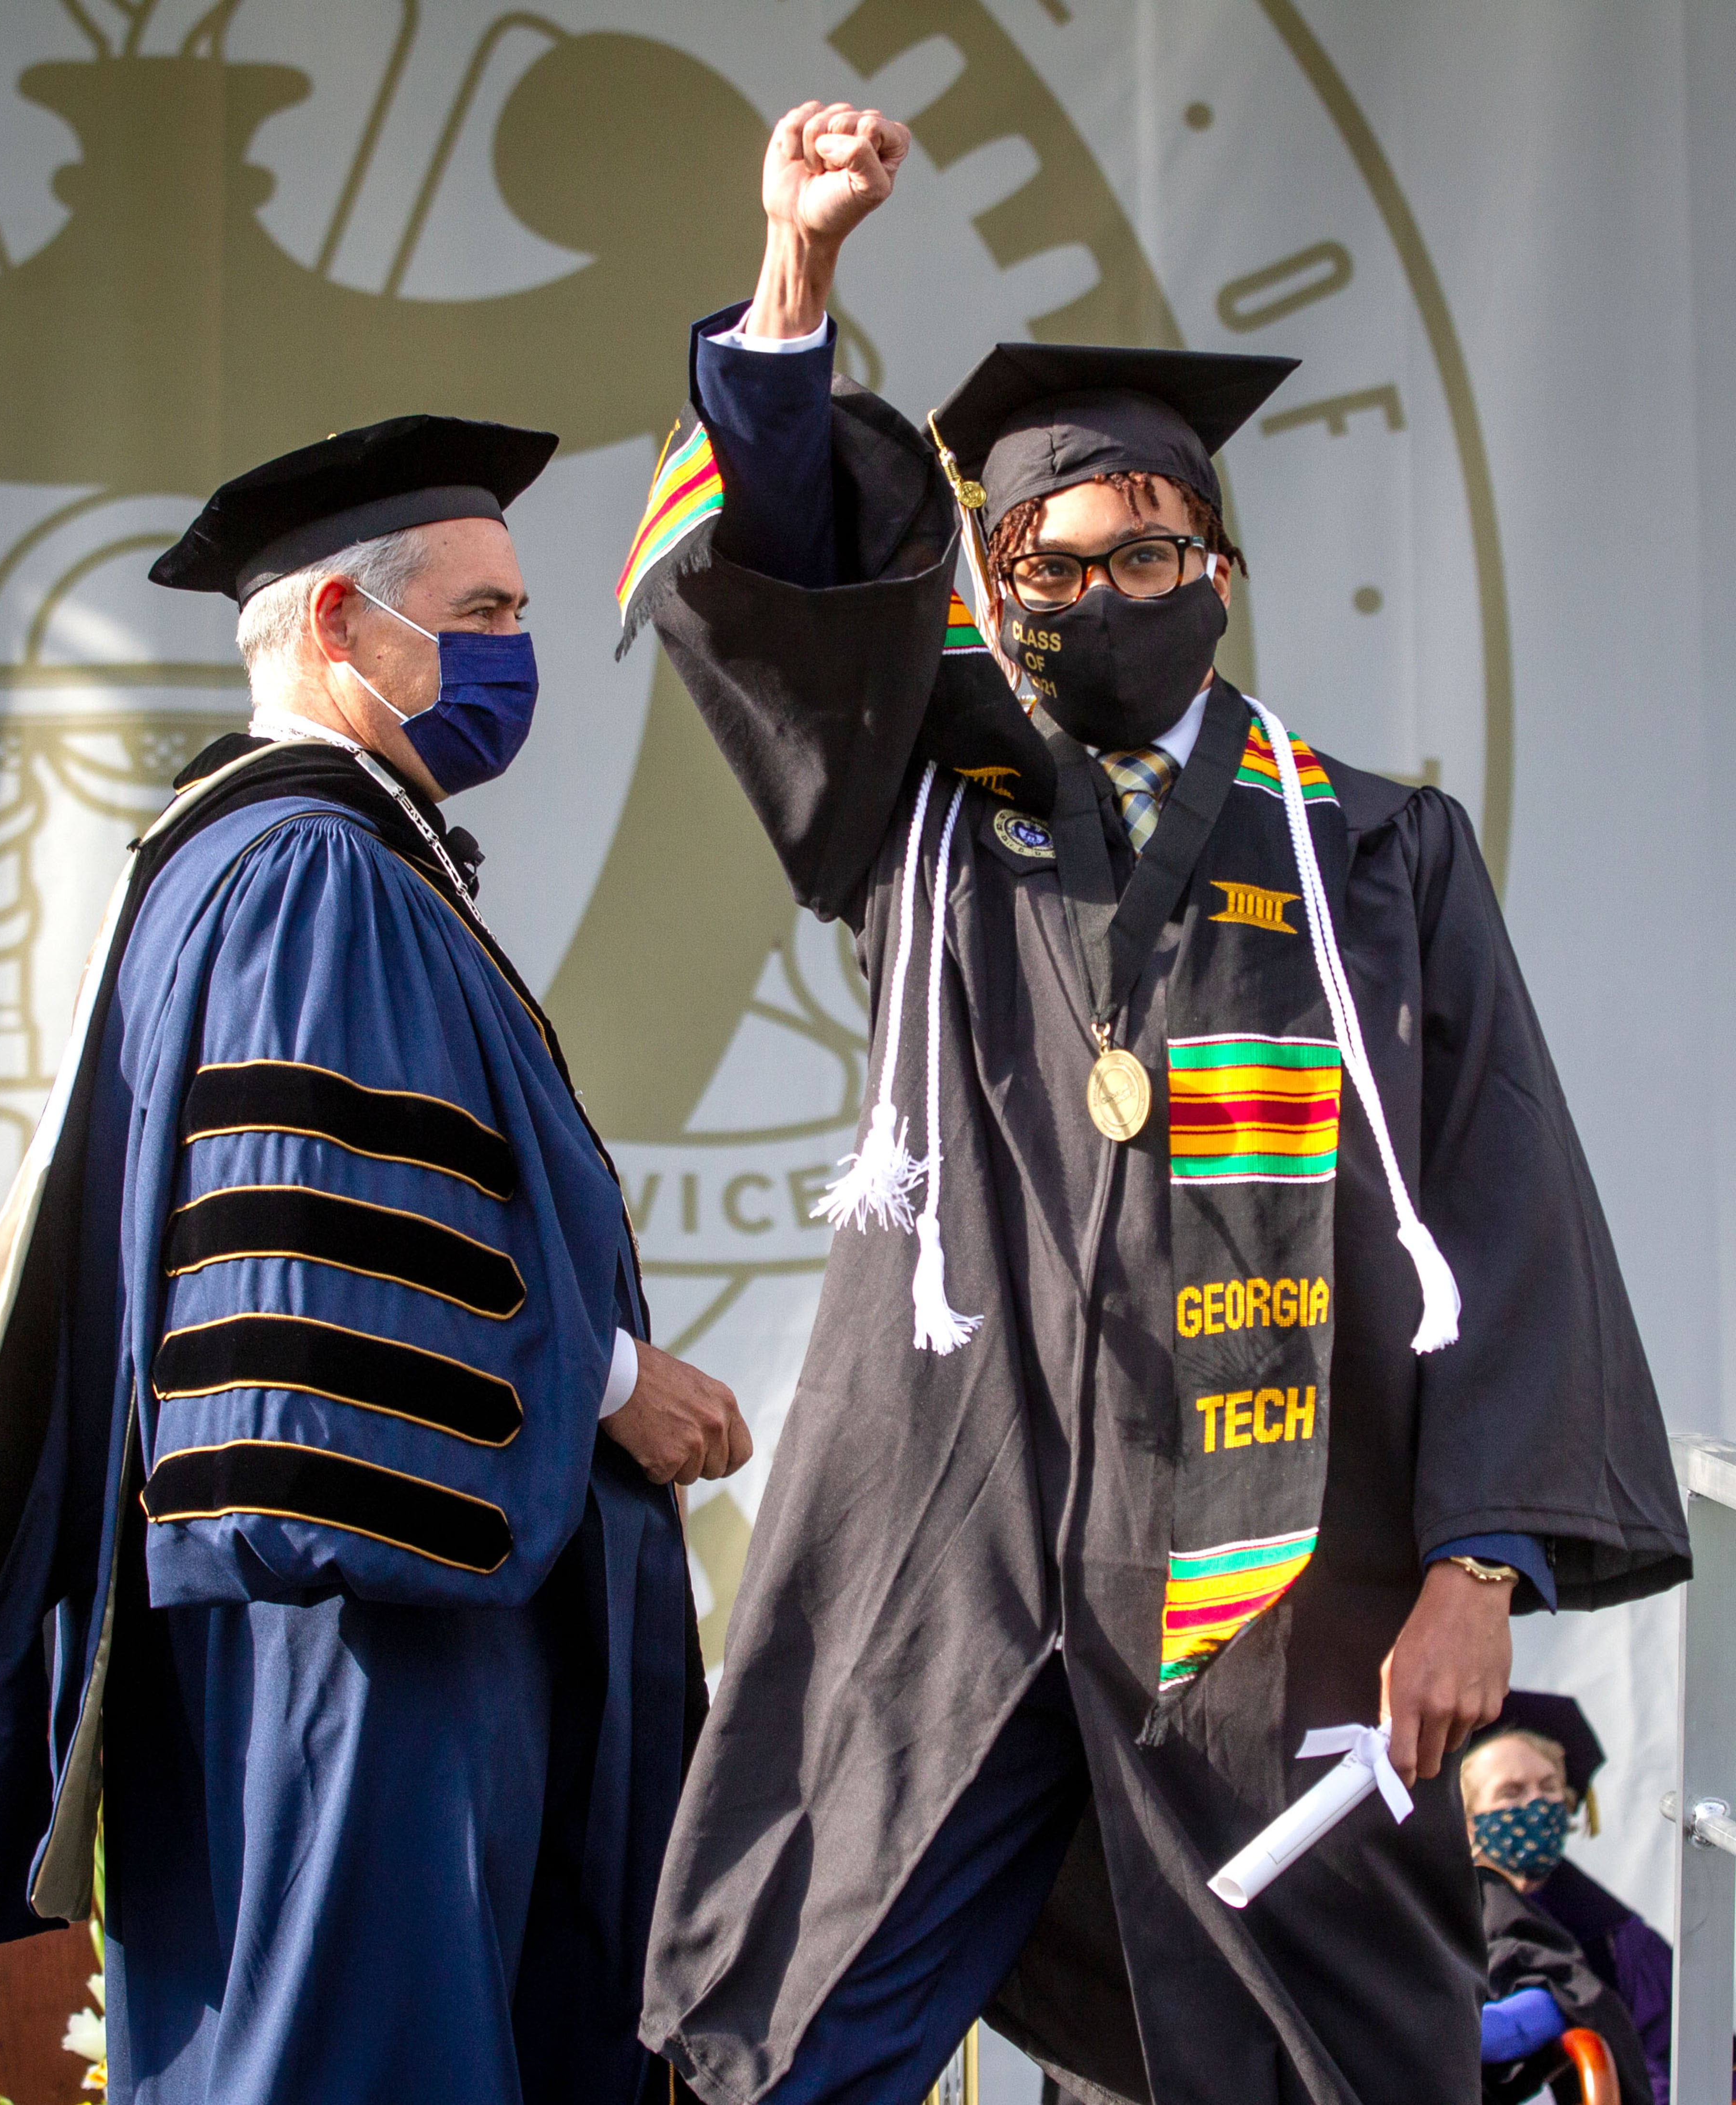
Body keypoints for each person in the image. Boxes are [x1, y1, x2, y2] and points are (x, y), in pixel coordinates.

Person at [625, 103, 1690, 2105]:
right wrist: (797, 274)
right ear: (1000, 591)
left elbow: (1507, 1198)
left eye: (1160, 547)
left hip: (1270, 1586)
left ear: (1224, 562)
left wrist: (1480, 1566)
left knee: (1306, 2057)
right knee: (793, 2024)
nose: (1122, 585)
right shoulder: (925, 822)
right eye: (1068, 556)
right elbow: (784, 582)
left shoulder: (1376, 849)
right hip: (957, 1559)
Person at [0, 416, 751, 2105]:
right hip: (361, 1658)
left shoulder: (296, 864)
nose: (522, 653)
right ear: (344, 629)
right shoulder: (310, 878)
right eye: (487, 612)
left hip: (360, 1654)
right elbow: (321, 1286)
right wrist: (603, 1380)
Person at [1466, 1694, 1672, 2104]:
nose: (1536, 1805)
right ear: (1466, 1817)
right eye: (1511, 1793)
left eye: (1549, 1787)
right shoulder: (1436, 1911)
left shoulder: (1622, 1940)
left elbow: (1672, 2061)